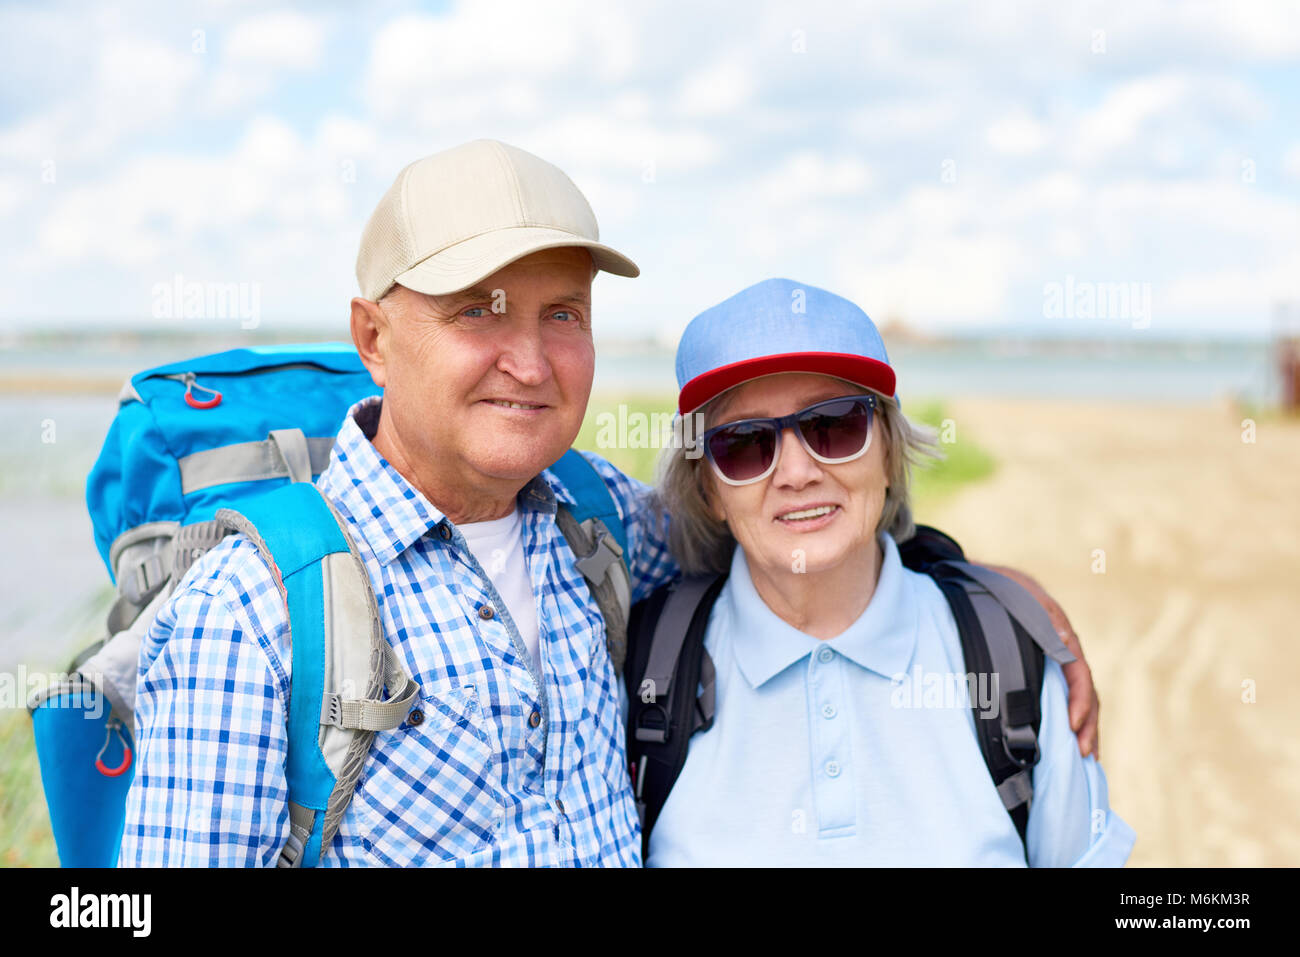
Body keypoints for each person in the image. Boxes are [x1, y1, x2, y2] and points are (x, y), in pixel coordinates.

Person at [119, 140, 1099, 866]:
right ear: (372, 337)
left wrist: (980, 587)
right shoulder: (250, 617)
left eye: (565, 315)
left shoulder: (602, 527)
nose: (531, 361)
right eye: (477, 311)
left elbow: (792, 533)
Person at [634, 278, 1135, 866]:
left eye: (834, 424)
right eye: (743, 442)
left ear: (891, 453)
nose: (797, 472)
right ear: (709, 490)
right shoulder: (643, 669)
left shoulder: (1008, 655)